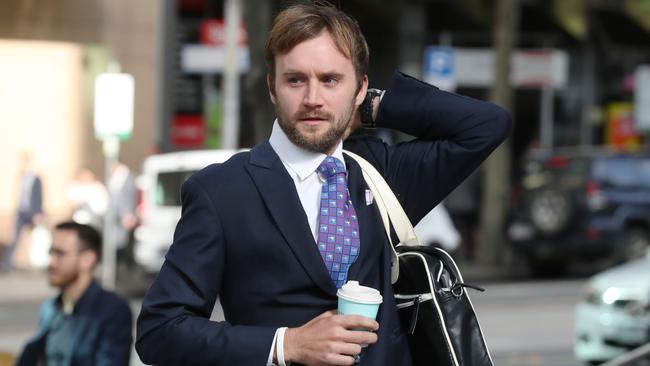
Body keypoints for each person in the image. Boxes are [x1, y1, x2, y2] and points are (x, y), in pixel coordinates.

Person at [136, 3, 511, 366]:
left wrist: (373, 108)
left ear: (360, 87)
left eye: (331, 80)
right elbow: (160, 331)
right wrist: (287, 344)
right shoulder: (222, 190)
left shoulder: (379, 172)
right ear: (272, 87)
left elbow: (485, 126)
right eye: (295, 80)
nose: (313, 99)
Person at [16, 221, 133, 366]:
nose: (51, 262)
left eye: (60, 254)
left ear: (88, 259)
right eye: (50, 253)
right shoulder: (51, 308)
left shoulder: (112, 310)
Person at [2, 152, 43, 272]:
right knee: (15, 238)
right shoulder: (21, 177)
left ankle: (36, 264)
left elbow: (39, 196)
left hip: (32, 212)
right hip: (21, 211)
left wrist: (38, 212)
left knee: (35, 239)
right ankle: (7, 264)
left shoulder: (36, 178)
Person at [106, 161, 138, 268]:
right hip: (115, 217)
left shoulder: (129, 178)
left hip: (126, 217)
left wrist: (129, 214)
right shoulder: (114, 178)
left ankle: (127, 268)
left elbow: (131, 198)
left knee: (126, 245)